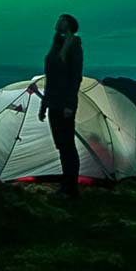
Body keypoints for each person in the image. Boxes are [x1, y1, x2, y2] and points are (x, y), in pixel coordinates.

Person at [38, 13, 83, 196]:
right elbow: (50, 79)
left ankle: (71, 188)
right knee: (61, 145)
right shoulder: (56, 45)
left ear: (70, 25)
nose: (58, 21)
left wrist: (69, 105)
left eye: (62, 20)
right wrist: (44, 105)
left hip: (64, 104)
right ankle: (66, 184)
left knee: (67, 145)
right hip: (53, 103)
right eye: (58, 19)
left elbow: (75, 77)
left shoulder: (74, 46)